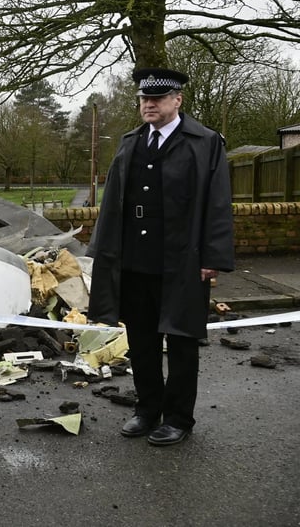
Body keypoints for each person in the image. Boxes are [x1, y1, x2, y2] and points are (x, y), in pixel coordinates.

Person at [87, 68, 234, 446]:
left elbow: (218, 202)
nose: (148, 104)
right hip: (136, 259)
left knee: (183, 341)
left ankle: (179, 418)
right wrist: (105, 255)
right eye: (143, 99)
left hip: (183, 260)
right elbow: (113, 205)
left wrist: (212, 256)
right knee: (141, 340)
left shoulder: (205, 142)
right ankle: (147, 410)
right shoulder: (130, 142)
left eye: (157, 98)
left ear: (177, 100)